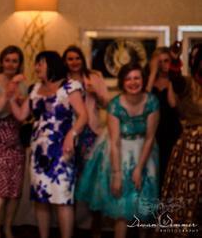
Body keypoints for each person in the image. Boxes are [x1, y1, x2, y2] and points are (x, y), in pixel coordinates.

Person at [9, 51, 87, 238]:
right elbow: (21, 115)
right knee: (40, 198)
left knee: (62, 198)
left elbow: (83, 116)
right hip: (38, 150)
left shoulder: (70, 87)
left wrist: (72, 134)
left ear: (51, 65)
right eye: (36, 63)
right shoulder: (35, 89)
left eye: (40, 63)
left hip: (62, 148)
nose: (36, 67)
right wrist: (11, 95)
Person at [77, 63, 159, 238]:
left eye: (137, 77)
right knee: (122, 207)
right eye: (128, 79)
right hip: (119, 154)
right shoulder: (115, 105)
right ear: (122, 82)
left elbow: (150, 137)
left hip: (145, 152)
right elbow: (114, 142)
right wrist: (116, 174)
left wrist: (139, 168)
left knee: (143, 207)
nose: (133, 82)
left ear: (143, 80)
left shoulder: (152, 101)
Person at [62, 45, 110, 238]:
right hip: (68, 133)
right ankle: (69, 226)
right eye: (70, 59)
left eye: (77, 58)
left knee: (93, 179)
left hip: (90, 132)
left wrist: (95, 93)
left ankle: (95, 226)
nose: (74, 62)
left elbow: (107, 103)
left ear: (82, 59)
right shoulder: (61, 81)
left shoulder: (94, 77)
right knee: (70, 180)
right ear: (65, 62)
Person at [160, 43, 202, 238]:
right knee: (187, 195)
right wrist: (175, 60)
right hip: (194, 145)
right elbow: (175, 79)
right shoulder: (186, 83)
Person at [0, 45, 26, 238]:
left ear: (19, 64)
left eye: (15, 61)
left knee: (14, 188)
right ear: (2, 62)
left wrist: (20, 94)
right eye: (7, 60)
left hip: (16, 139)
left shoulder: (24, 83)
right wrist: (10, 91)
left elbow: (24, 114)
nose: (11, 64)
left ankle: (7, 226)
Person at [145, 47, 182, 191]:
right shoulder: (148, 81)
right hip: (153, 132)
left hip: (172, 131)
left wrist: (172, 76)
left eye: (166, 61)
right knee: (153, 172)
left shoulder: (178, 81)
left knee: (169, 172)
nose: (163, 65)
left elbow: (173, 103)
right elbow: (145, 103)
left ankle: (169, 210)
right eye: (159, 62)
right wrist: (153, 73)